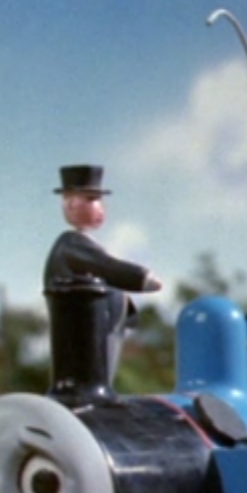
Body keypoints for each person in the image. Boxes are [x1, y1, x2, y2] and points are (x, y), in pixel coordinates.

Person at [43, 165, 162, 396]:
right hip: (87, 334)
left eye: (99, 200)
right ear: (70, 204)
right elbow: (107, 266)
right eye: (91, 199)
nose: (100, 207)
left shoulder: (84, 243)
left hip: (106, 328)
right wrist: (142, 277)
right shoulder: (71, 244)